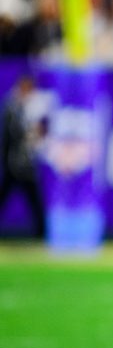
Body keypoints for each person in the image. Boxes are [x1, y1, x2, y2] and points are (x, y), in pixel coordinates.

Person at [0, 75, 46, 238]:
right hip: (15, 163)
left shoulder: (25, 107)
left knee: (34, 200)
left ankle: (41, 233)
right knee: (7, 196)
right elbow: (16, 133)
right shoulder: (12, 106)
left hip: (25, 164)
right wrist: (33, 133)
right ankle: (41, 232)